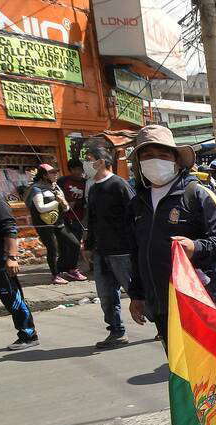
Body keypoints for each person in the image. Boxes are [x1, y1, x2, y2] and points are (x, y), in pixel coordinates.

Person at [126, 124, 216, 425]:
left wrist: (196, 247)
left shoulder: (197, 195)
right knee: (182, 373)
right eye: (147, 154)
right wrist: (136, 294)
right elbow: (136, 251)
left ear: (176, 159)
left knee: (204, 371)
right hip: (162, 304)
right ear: (139, 162)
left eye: (162, 153)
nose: (154, 160)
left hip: (197, 304)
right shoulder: (139, 203)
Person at [83, 144, 136, 349]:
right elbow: (93, 220)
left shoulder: (119, 185)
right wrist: (88, 245)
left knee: (136, 291)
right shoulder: (94, 188)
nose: (87, 164)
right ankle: (116, 331)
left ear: (102, 161)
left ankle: (161, 324)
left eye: (90, 159)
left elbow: (134, 214)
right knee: (106, 295)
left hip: (122, 250)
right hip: (101, 251)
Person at [25, 163, 84, 285]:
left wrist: (63, 203)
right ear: (44, 175)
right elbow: (41, 208)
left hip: (59, 222)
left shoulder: (55, 187)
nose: (55, 174)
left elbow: (66, 207)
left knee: (75, 244)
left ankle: (71, 269)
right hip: (44, 225)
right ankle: (55, 275)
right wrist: (57, 202)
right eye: (52, 172)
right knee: (52, 249)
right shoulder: (37, 189)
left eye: (56, 172)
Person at [0, 191, 38, 350]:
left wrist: (12, 257)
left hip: (0, 263)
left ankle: (28, 335)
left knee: (14, 301)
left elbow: (10, 228)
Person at [56, 158, 89, 280]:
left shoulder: (86, 183)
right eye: (74, 169)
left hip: (79, 218)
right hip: (63, 218)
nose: (78, 172)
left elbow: (88, 199)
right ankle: (61, 269)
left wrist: (77, 203)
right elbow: (56, 195)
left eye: (80, 169)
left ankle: (72, 268)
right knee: (64, 244)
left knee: (75, 243)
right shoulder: (63, 181)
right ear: (70, 170)